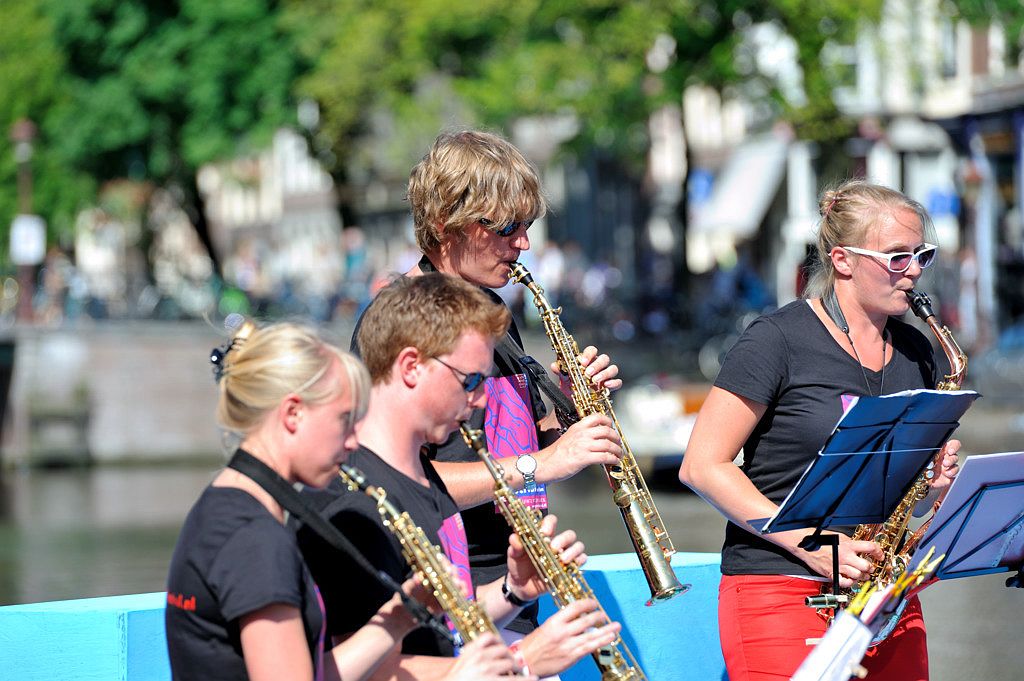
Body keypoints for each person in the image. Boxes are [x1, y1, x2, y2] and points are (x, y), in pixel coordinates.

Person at [678, 180, 962, 681]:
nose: (915, 270)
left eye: (923, 254)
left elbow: (899, 501)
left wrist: (930, 485)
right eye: (897, 257)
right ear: (843, 260)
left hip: (886, 595)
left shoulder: (921, 352)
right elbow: (702, 467)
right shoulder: (776, 340)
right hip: (781, 587)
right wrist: (815, 545)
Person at [365, 129, 624, 649]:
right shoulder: (402, 323)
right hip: (445, 609)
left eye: (527, 225)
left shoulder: (491, 318)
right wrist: (542, 466)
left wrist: (573, 414)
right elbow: (387, 482)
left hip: (515, 594)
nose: (523, 242)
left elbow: (531, 443)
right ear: (447, 228)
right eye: (506, 226)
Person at [300, 273, 621, 680]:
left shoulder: (421, 482)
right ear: (411, 367)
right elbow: (345, 671)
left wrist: (514, 590)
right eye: (470, 380)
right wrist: (521, 665)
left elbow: (439, 627)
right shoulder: (353, 500)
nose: (483, 398)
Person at [165, 320, 514, 681]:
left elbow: (309, 673)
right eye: (344, 420)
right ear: (293, 414)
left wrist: (399, 618)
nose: (352, 441)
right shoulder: (256, 539)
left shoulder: (224, 505)